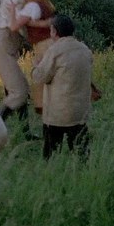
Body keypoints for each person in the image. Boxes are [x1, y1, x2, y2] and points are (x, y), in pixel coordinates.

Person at [32, 15, 93, 159]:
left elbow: (40, 77)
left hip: (57, 114)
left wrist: (36, 66)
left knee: (51, 156)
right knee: (81, 156)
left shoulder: (55, 51)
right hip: (80, 112)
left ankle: (53, 170)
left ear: (54, 31)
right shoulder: (85, 49)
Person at [8, 0, 55, 114]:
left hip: (44, 44)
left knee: (41, 76)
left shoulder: (32, 4)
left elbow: (14, 26)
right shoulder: (43, 0)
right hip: (50, 42)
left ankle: (46, 110)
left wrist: (12, 11)